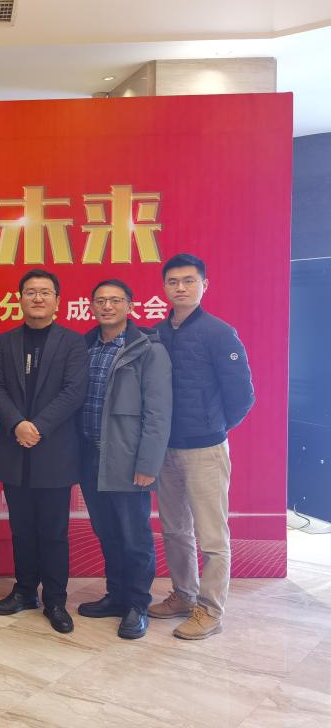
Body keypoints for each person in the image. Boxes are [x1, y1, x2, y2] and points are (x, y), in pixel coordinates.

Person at [148, 253, 254, 640]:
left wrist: (215, 427)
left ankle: (210, 610)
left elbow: (242, 395)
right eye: (173, 281)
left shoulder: (219, 333)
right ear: (164, 287)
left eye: (189, 281)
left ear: (204, 285)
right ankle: (184, 594)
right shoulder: (157, 333)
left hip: (205, 450)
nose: (181, 287)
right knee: (175, 530)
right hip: (166, 449)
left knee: (211, 536)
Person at [0, 269, 88, 634]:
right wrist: (18, 423)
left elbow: (74, 392)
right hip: (15, 448)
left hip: (54, 450)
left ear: (57, 301)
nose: (37, 298)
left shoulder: (73, 342)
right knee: (22, 529)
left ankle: (56, 599)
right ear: (20, 299)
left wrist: (38, 427)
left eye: (45, 292)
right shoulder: (4, 342)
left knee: (53, 531)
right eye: (30, 292)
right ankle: (25, 591)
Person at [76, 279, 172, 640]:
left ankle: (137, 605)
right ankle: (115, 596)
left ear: (130, 307)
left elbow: (158, 413)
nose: (107, 306)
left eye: (115, 300)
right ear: (91, 306)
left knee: (134, 536)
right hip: (90, 456)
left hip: (127, 458)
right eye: (100, 300)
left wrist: (148, 464)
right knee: (107, 531)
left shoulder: (148, 350)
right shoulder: (85, 346)